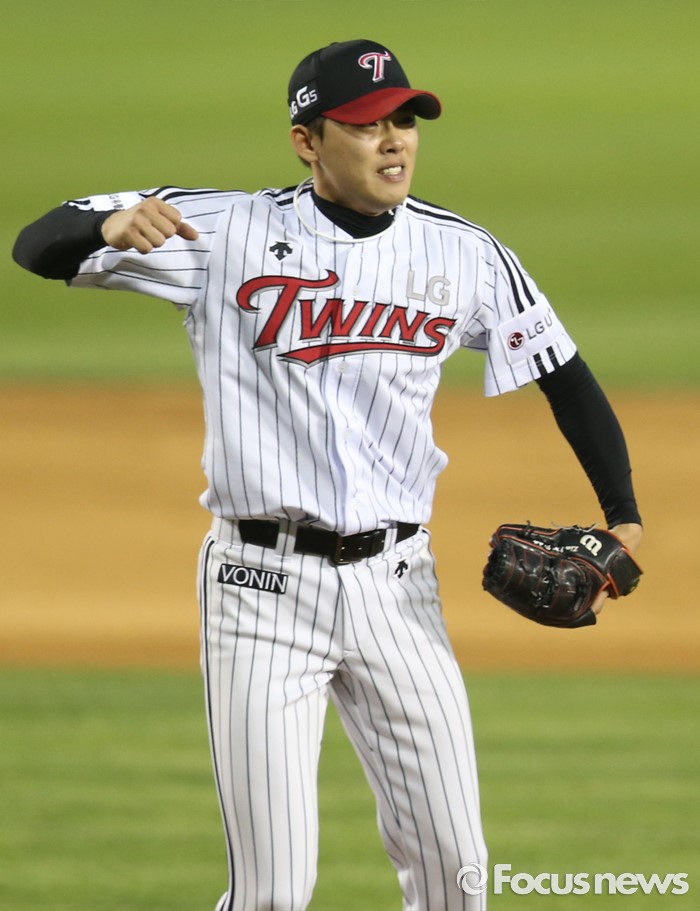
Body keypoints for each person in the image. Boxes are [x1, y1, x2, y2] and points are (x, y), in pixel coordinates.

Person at [13, 38, 642, 911]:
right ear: (307, 142)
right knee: (273, 890)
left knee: (457, 872)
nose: (394, 141)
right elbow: (36, 244)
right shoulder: (223, 230)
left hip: (399, 589)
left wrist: (624, 518)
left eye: (405, 120)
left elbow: (565, 376)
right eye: (366, 124)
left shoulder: (464, 252)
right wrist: (103, 228)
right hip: (259, 591)